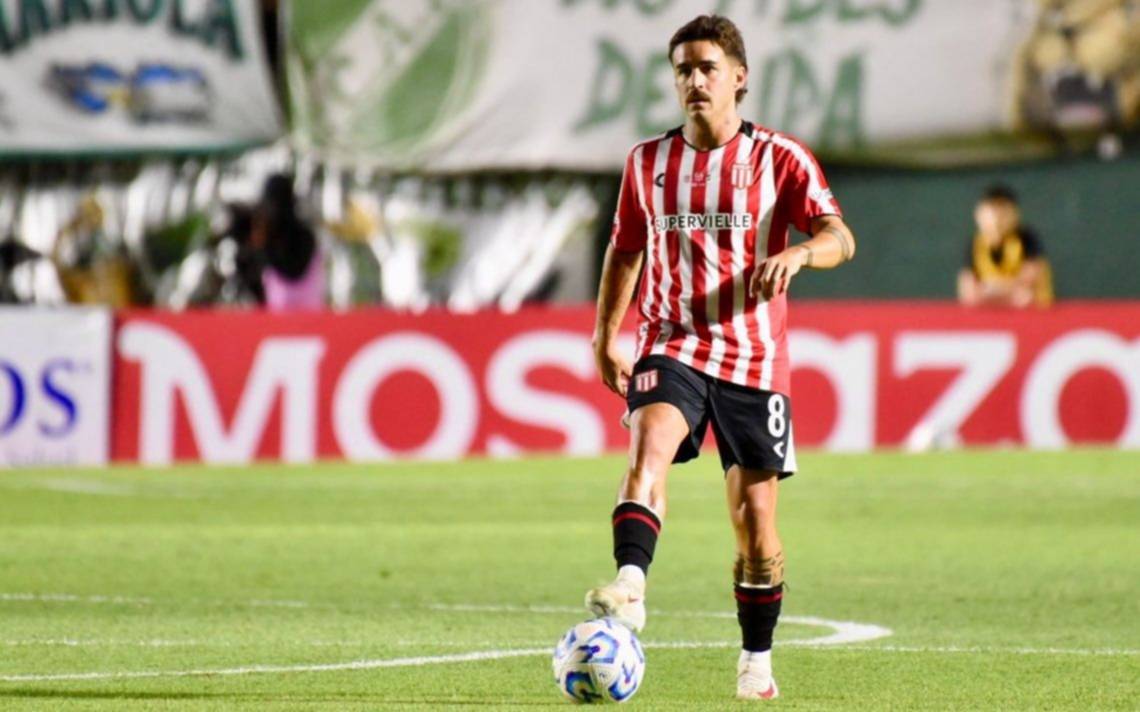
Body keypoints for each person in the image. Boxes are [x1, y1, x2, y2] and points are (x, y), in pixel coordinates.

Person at [585, 14, 857, 701]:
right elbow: (625, 249)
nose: (695, 81)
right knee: (649, 442)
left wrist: (801, 253)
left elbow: (840, 236)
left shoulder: (780, 159)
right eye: (683, 69)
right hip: (671, 340)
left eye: (707, 68)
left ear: (739, 77)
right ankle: (631, 583)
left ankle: (756, 661)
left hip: (753, 359)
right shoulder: (646, 163)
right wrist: (604, 335)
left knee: (755, 525)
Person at [957, 185, 1052, 308]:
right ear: (979, 214)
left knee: (1025, 298)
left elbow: (1031, 277)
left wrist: (994, 289)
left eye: (1003, 211)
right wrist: (1000, 292)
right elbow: (968, 290)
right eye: (992, 211)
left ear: (1015, 214)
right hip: (991, 309)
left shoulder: (1027, 238)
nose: (997, 219)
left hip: (1030, 312)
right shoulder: (975, 244)